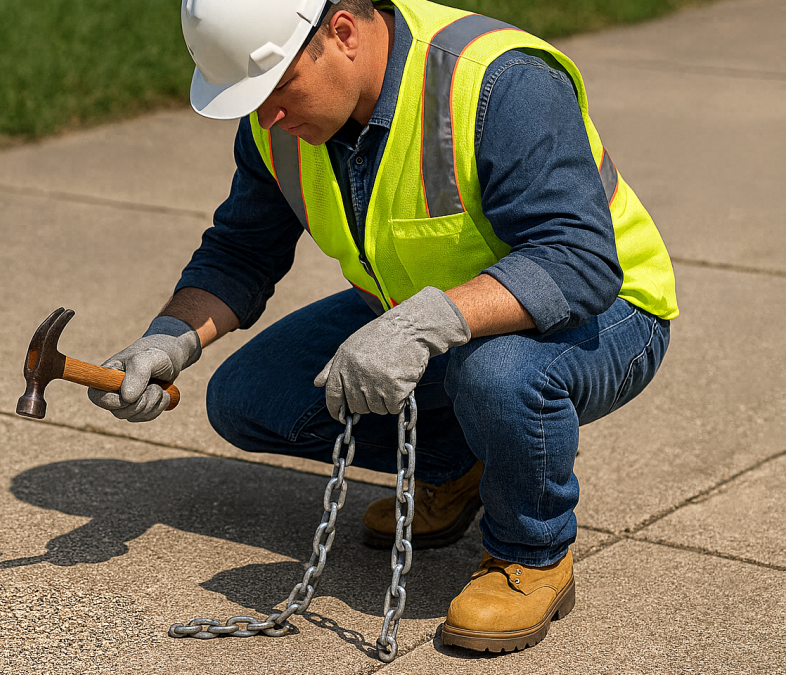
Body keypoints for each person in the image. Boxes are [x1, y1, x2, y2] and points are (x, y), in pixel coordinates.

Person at [88, 0, 677, 653]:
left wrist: (430, 320)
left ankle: (530, 555)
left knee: (498, 373)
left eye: (277, 86)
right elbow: (241, 253)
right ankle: (463, 464)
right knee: (249, 398)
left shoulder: (496, 82)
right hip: (423, 313)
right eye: (251, 98)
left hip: (606, 310)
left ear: (341, 32)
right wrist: (170, 337)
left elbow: (578, 262)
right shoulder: (276, 124)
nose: (267, 116)